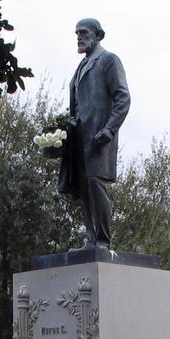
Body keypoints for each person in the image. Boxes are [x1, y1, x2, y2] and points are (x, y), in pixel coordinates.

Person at [59, 17, 131, 251]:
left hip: (99, 137)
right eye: (76, 33)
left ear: (98, 35)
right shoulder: (81, 67)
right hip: (80, 139)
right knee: (84, 187)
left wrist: (109, 129)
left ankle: (102, 240)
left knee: (95, 183)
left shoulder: (108, 60)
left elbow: (123, 97)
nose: (79, 37)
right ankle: (91, 239)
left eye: (84, 32)